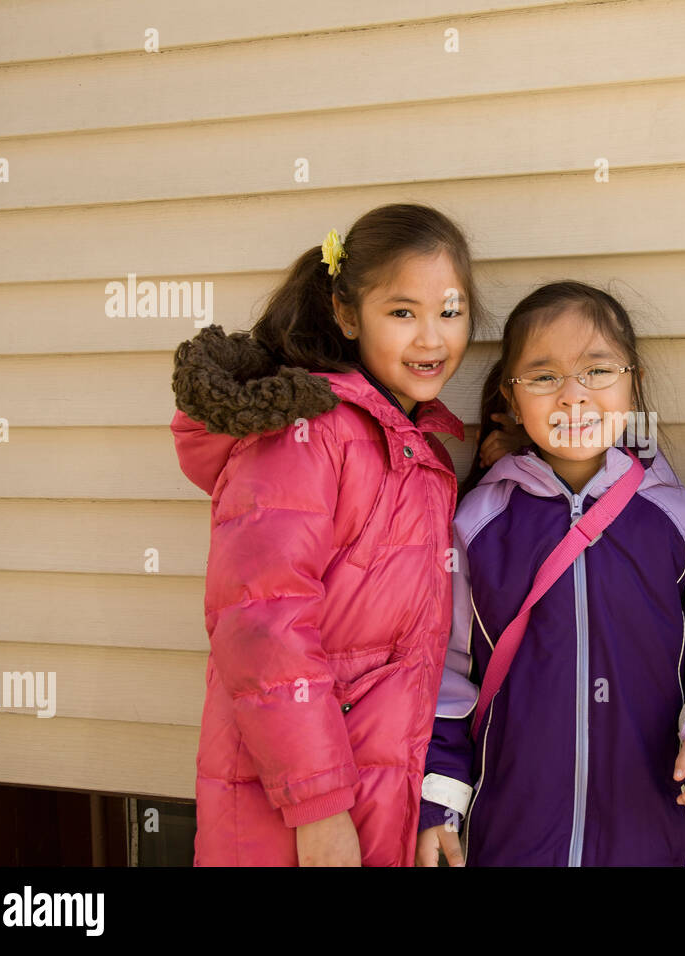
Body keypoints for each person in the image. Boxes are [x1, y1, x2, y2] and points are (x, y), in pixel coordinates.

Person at [170, 203, 479, 866]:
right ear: (346, 315)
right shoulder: (309, 436)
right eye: (402, 312)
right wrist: (320, 810)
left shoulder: (423, 454)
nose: (431, 338)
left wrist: (423, 805)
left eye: (450, 311)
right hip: (288, 808)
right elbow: (262, 624)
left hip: (375, 799)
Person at [415, 281, 685, 866]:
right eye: (545, 376)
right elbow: (448, 679)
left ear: (634, 383)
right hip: (511, 835)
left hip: (652, 831)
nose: (573, 397)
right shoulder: (476, 525)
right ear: (511, 395)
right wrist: (439, 804)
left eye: (598, 371)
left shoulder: (679, 522)